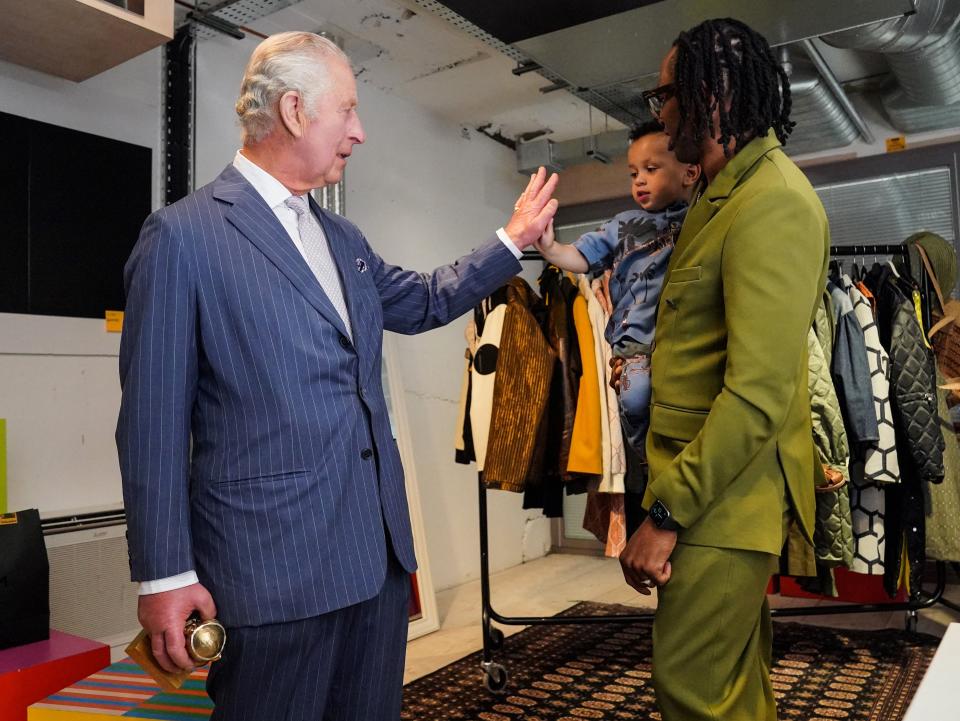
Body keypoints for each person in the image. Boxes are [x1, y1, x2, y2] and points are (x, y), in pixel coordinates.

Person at [115, 31, 557, 721]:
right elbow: (151, 423)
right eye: (347, 111)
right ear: (295, 111)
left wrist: (512, 242)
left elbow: (424, 298)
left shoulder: (344, 240)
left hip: (374, 565)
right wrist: (166, 573)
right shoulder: (183, 238)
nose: (360, 131)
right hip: (268, 575)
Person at [616, 18, 828, 721]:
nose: (660, 112)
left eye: (666, 94)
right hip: (704, 487)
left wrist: (668, 514)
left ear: (713, 93)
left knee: (693, 689)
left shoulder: (774, 201)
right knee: (732, 691)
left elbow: (758, 393)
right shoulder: (723, 191)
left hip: (720, 502)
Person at [534, 121, 700, 458]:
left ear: (690, 173)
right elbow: (581, 255)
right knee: (636, 397)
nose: (639, 179)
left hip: (680, 342)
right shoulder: (622, 225)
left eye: (651, 169)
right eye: (633, 172)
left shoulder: (701, 221)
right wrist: (551, 249)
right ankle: (649, 460)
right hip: (635, 342)